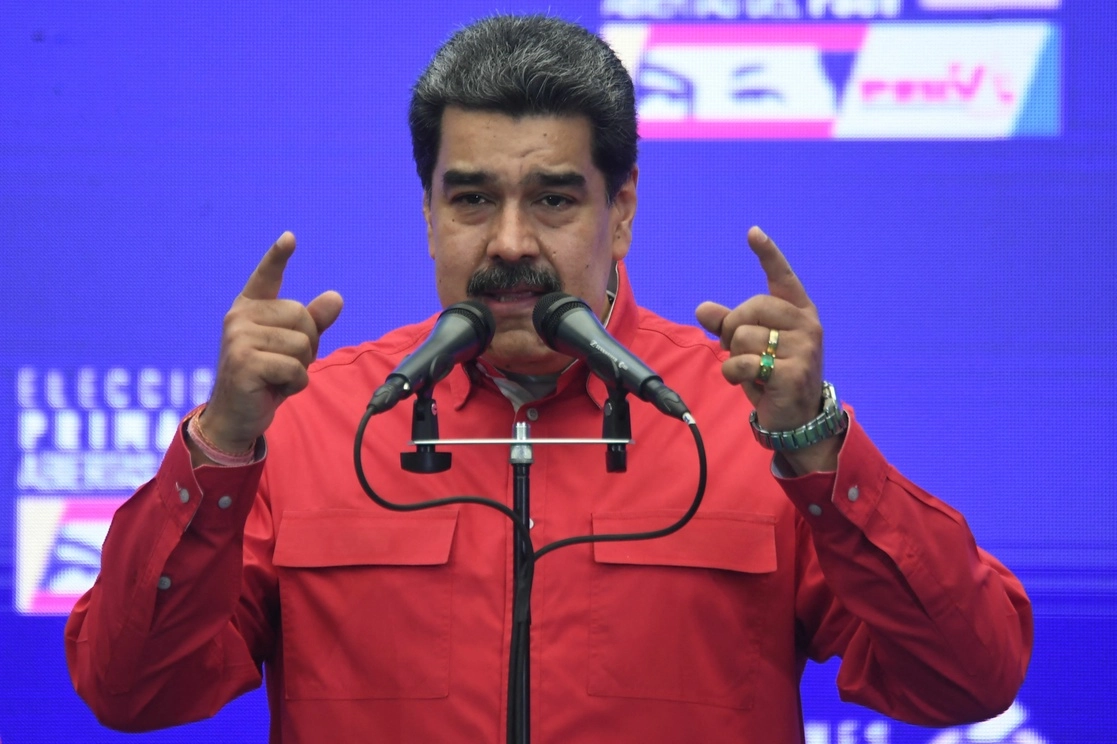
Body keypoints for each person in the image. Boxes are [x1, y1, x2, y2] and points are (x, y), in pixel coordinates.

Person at [65, 13, 1032, 743]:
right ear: (429, 212)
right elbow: (133, 688)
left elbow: (965, 678)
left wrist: (814, 444)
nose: (512, 242)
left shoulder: (746, 415)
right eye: (473, 199)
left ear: (620, 213)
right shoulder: (318, 418)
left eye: (555, 199)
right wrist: (223, 444)